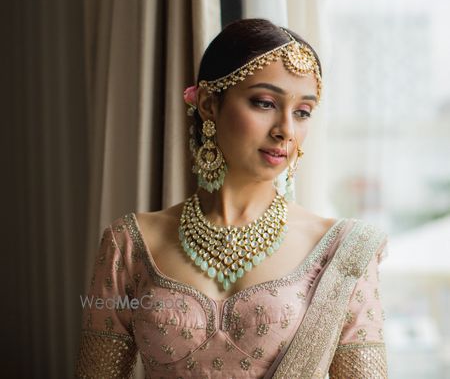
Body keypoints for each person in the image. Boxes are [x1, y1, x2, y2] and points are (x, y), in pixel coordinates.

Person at [75, 19, 388, 378]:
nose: (286, 129)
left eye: (302, 112)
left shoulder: (342, 252)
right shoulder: (129, 244)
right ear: (209, 104)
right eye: (265, 103)